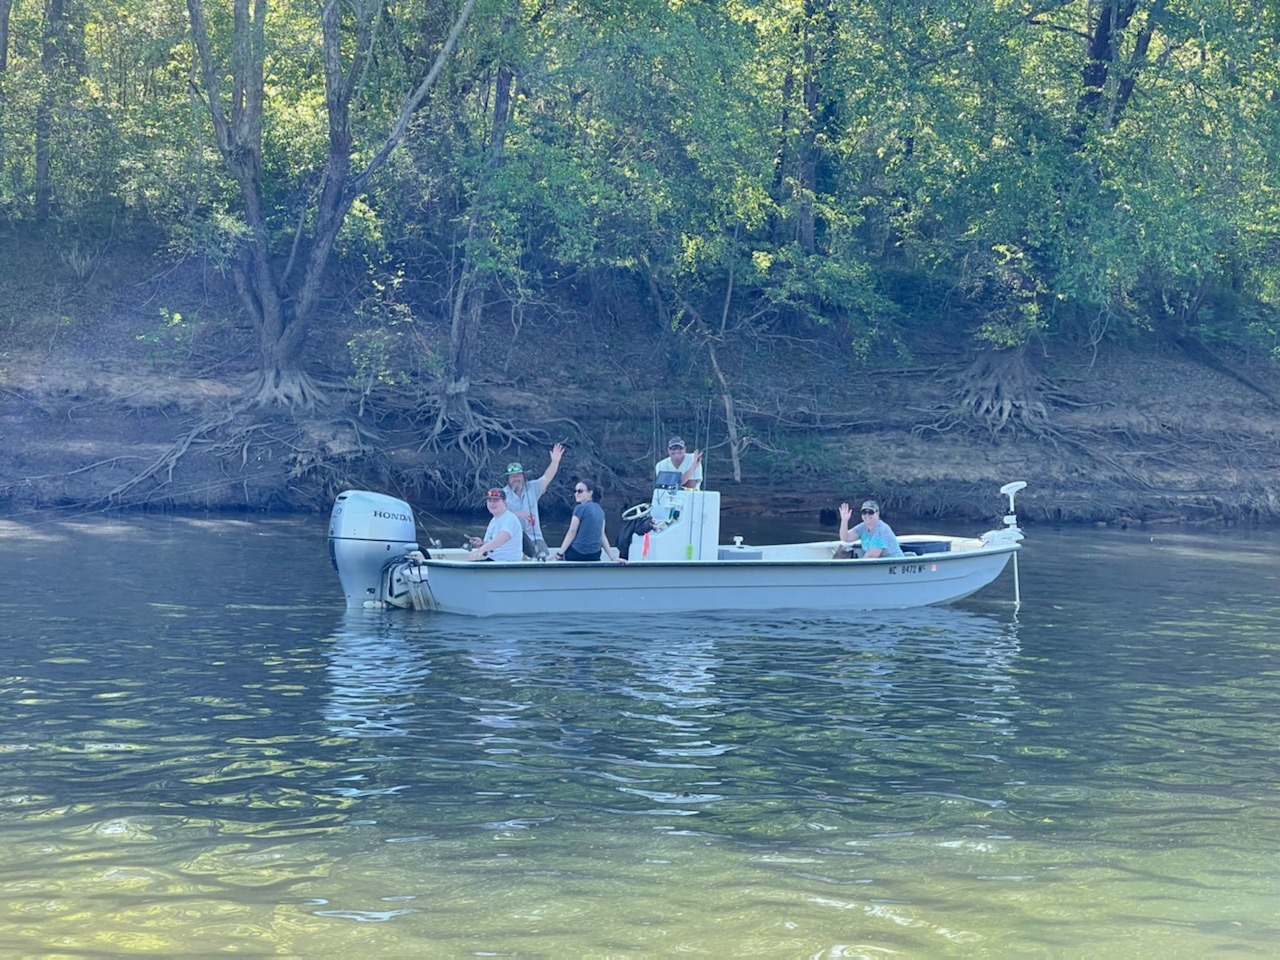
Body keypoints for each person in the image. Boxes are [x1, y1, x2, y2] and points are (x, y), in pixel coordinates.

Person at [503, 442, 565, 558]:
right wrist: (518, 514)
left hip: (534, 537)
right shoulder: (503, 494)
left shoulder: (532, 488)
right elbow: (499, 516)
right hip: (511, 538)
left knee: (544, 557)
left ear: (523, 477)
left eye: (518, 475)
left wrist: (555, 462)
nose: (516, 478)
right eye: (513, 476)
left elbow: (547, 477)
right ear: (508, 479)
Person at [551, 478, 619, 562]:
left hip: (577, 554)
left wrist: (559, 555)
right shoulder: (600, 510)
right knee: (556, 555)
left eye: (580, 491)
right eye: (575, 491)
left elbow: (571, 533)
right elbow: (602, 535)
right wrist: (612, 557)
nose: (576, 494)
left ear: (590, 493)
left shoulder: (579, 508)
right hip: (595, 555)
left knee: (557, 556)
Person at [467, 488, 525, 561]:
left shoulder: (510, 518)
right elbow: (489, 549)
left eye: (496, 500)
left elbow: (503, 538)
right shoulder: (493, 521)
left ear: (504, 502)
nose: (492, 504)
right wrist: (480, 544)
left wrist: (481, 549)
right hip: (493, 561)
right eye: (489, 500)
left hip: (507, 563)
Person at [837, 499, 904, 559]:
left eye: (870, 512)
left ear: (877, 513)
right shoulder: (862, 527)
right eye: (864, 512)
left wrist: (854, 568)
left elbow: (872, 555)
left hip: (893, 564)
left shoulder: (881, 530)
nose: (867, 515)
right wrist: (844, 520)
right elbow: (846, 538)